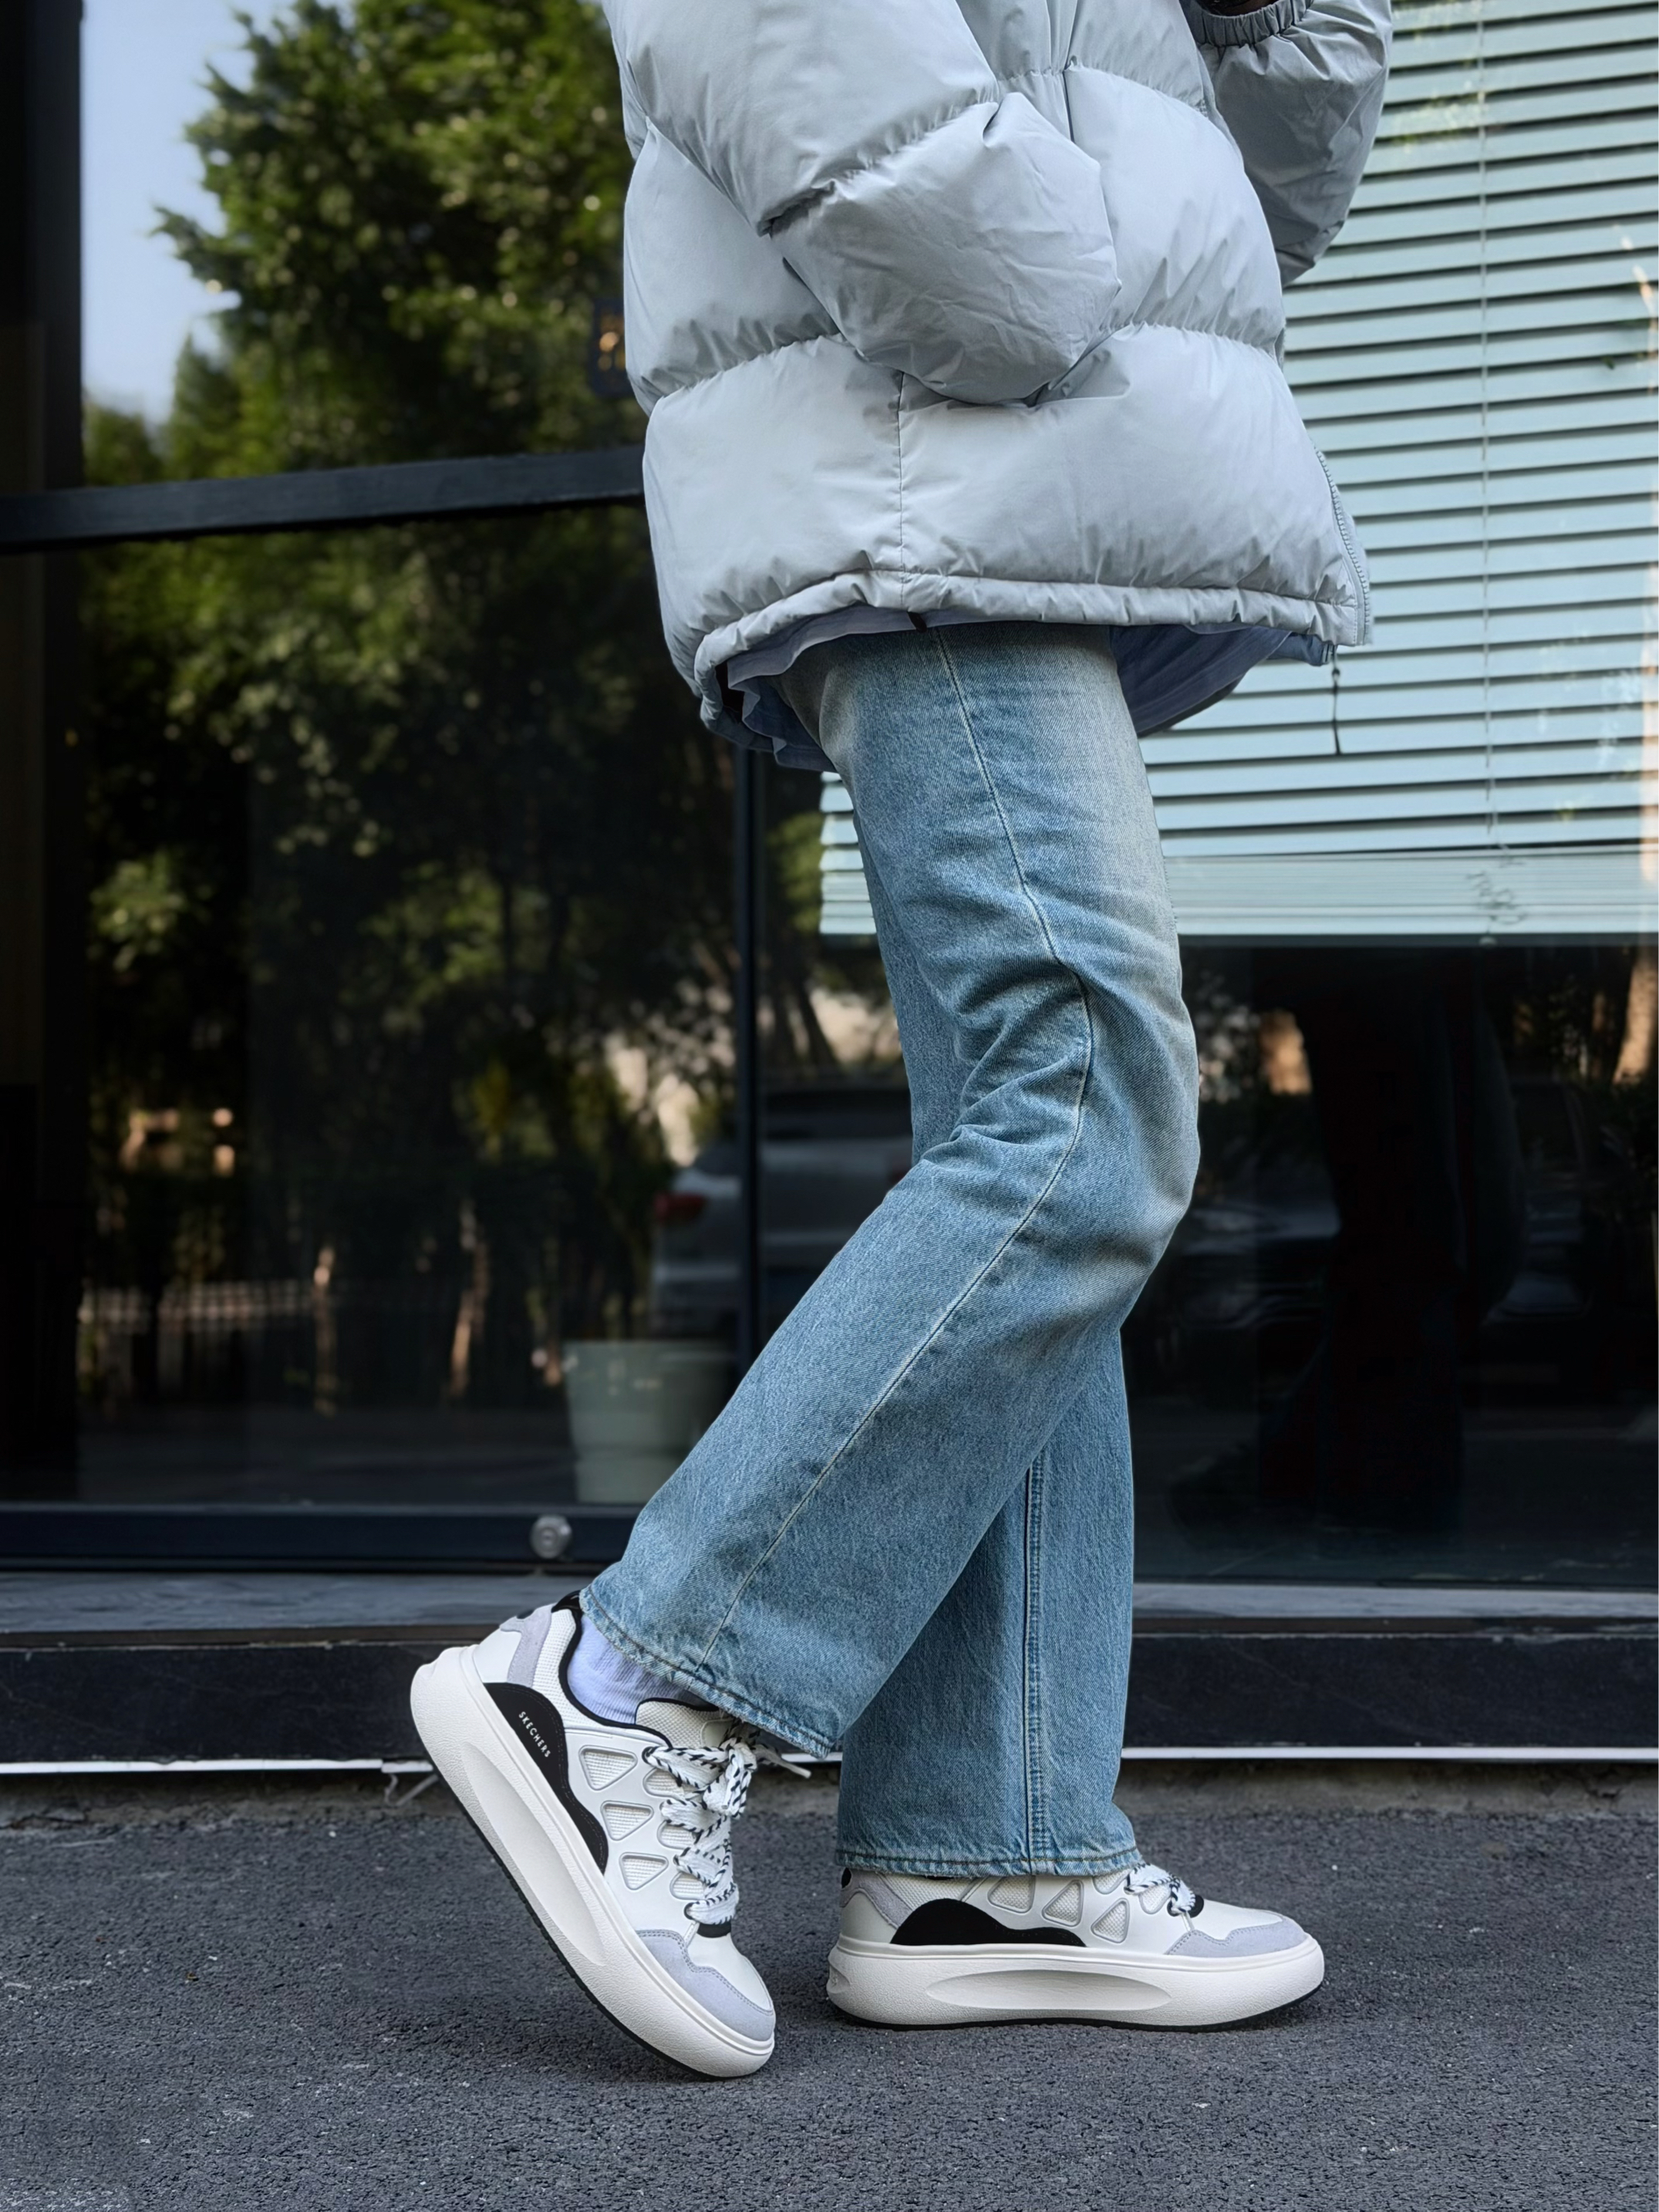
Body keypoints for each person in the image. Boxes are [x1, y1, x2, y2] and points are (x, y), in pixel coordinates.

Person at [412, 0, 1392, 2077]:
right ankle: (627, 1689)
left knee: (1039, 1149)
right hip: (917, 430)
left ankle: (985, 1854)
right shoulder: (984, 315)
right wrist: (1019, 266)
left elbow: (1245, 197)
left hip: (1015, 458)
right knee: (1086, 1104)